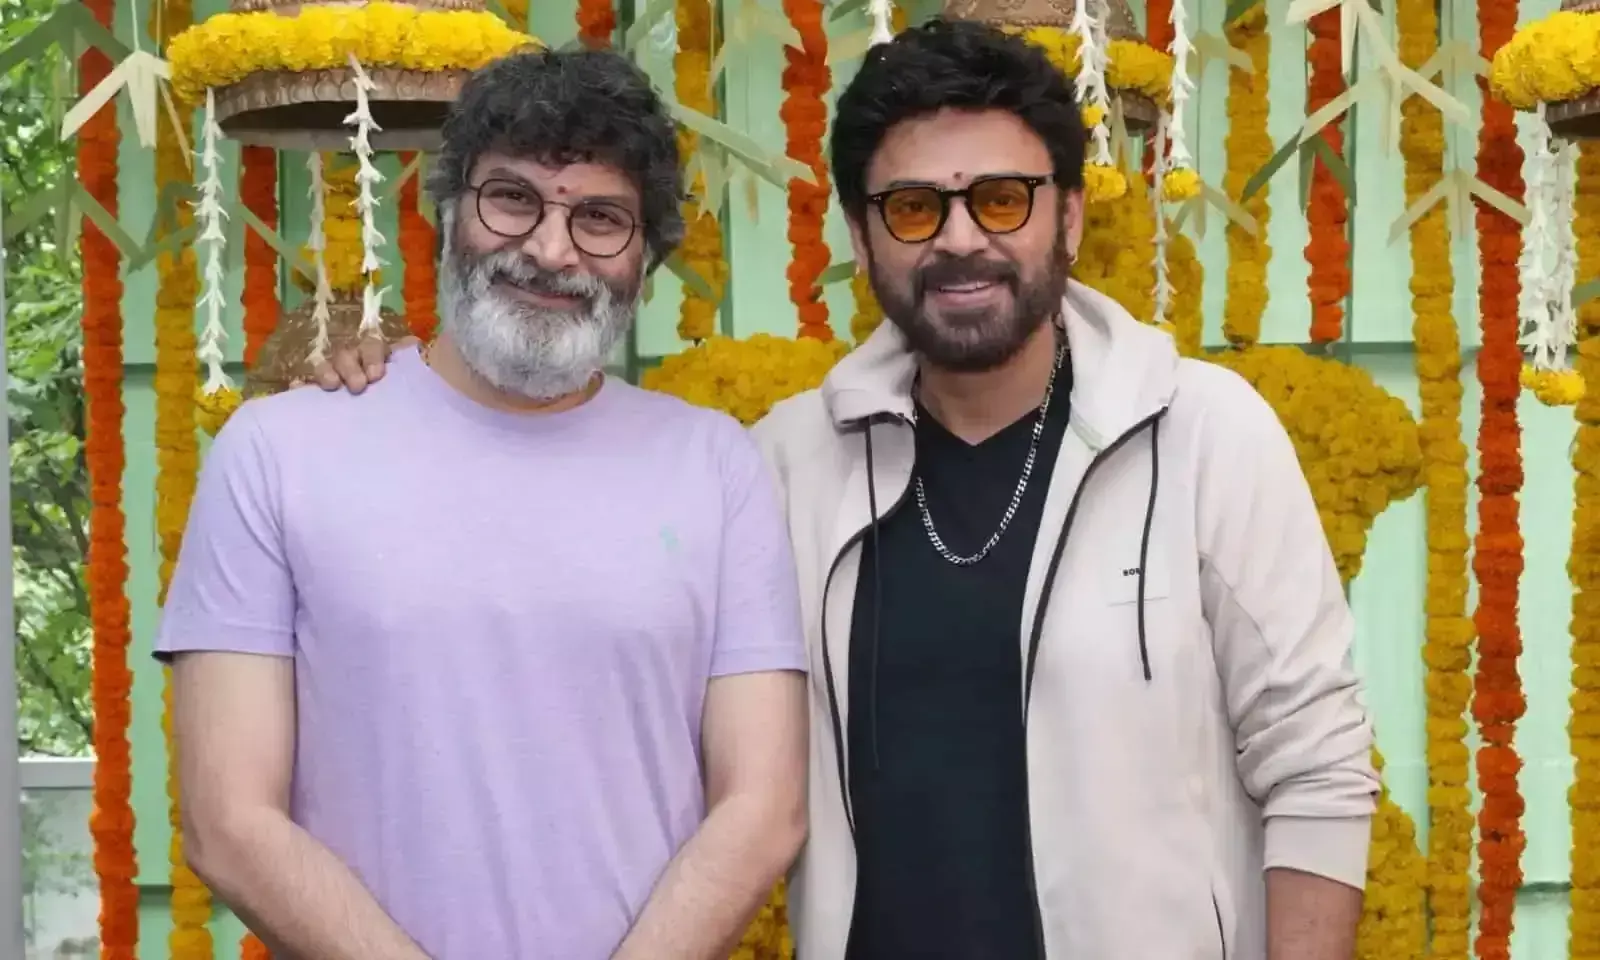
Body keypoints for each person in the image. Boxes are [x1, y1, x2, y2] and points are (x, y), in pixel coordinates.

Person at [321, 20, 1378, 960]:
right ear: (863, 235)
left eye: (1000, 199)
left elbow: (1317, 768)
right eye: (913, 207)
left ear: (1065, 217)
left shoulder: (1202, 432)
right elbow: (586, 628)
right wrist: (412, 394)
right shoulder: (781, 463)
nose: (959, 238)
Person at [159, 48, 808, 960]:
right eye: (512, 198)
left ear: (646, 260)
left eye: (600, 218)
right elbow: (228, 821)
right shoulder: (277, 451)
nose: (550, 249)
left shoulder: (717, 466)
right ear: (448, 213)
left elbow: (763, 806)